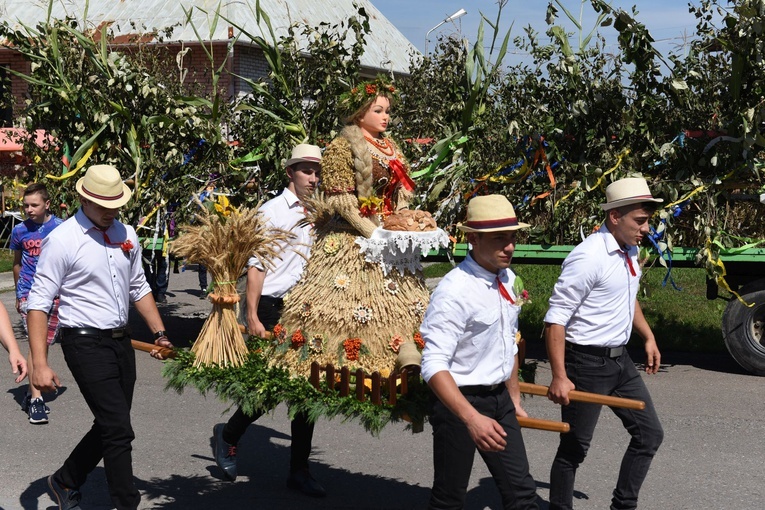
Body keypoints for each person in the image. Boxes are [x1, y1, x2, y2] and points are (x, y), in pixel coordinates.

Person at [27, 164, 173, 510]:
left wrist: (160, 333)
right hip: (84, 343)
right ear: (82, 199)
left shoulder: (127, 234)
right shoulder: (62, 240)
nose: (110, 212)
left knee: (112, 423)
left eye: (115, 205)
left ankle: (65, 479)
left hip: (121, 342)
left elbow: (138, 287)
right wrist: (40, 364)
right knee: (119, 430)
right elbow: (38, 303)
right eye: (102, 205)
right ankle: (126, 503)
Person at [277, 76, 431, 375]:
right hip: (352, 239)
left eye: (388, 111)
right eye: (378, 110)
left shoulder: (391, 147)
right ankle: (343, 366)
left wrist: (404, 221)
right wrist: (374, 233)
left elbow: (400, 192)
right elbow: (344, 202)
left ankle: (401, 363)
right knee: (350, 309)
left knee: (399, 306)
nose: (386, 116)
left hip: (389, 238)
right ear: (360, 113)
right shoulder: (341, 147)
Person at [544, 177, 665, 510]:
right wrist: (559, 375)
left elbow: (626, 296)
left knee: (649, 435)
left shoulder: (630, 249)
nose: (646, 228)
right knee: (573, 450)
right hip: (585, 364)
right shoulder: (588, 258)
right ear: (615, 217)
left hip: (620, 362)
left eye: (647, 221)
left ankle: (623, 506)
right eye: (639, 221)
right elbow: (555, 320)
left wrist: (648, 335)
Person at [213, 144, 325, 496]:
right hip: (273, 306)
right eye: (306, 170)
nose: (313, 177)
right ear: (290, 173)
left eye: (316, 171)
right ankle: (229, 435)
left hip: (306, 308)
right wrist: (251, 315)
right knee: (271, 386)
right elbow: (256, 266)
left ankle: (299, 470)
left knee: (307, 390)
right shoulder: (272, 211)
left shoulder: (320, 213)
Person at [420, 194, 540, 510]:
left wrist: (513, 399)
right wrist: (471, 418)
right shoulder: (454, 291)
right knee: (449, 499)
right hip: (459, 403)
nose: (510, 246)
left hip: (499, 399)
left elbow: (509, 342)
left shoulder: (510, 279)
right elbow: (432, 365)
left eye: (512, 236)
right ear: (473, 239)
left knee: (522, 495)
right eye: (499, 238)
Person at [11, 183, 63, 424]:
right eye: (25, 205)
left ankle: (34, 390)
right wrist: (18, 295)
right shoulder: (20, 231)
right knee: (36, 345)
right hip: (29, 294)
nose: (29, 209)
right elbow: (17, 263)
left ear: (47, 204)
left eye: (34, 205)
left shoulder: (61, 228)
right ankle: (36, 400)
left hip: (54, 292)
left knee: (43, 345)